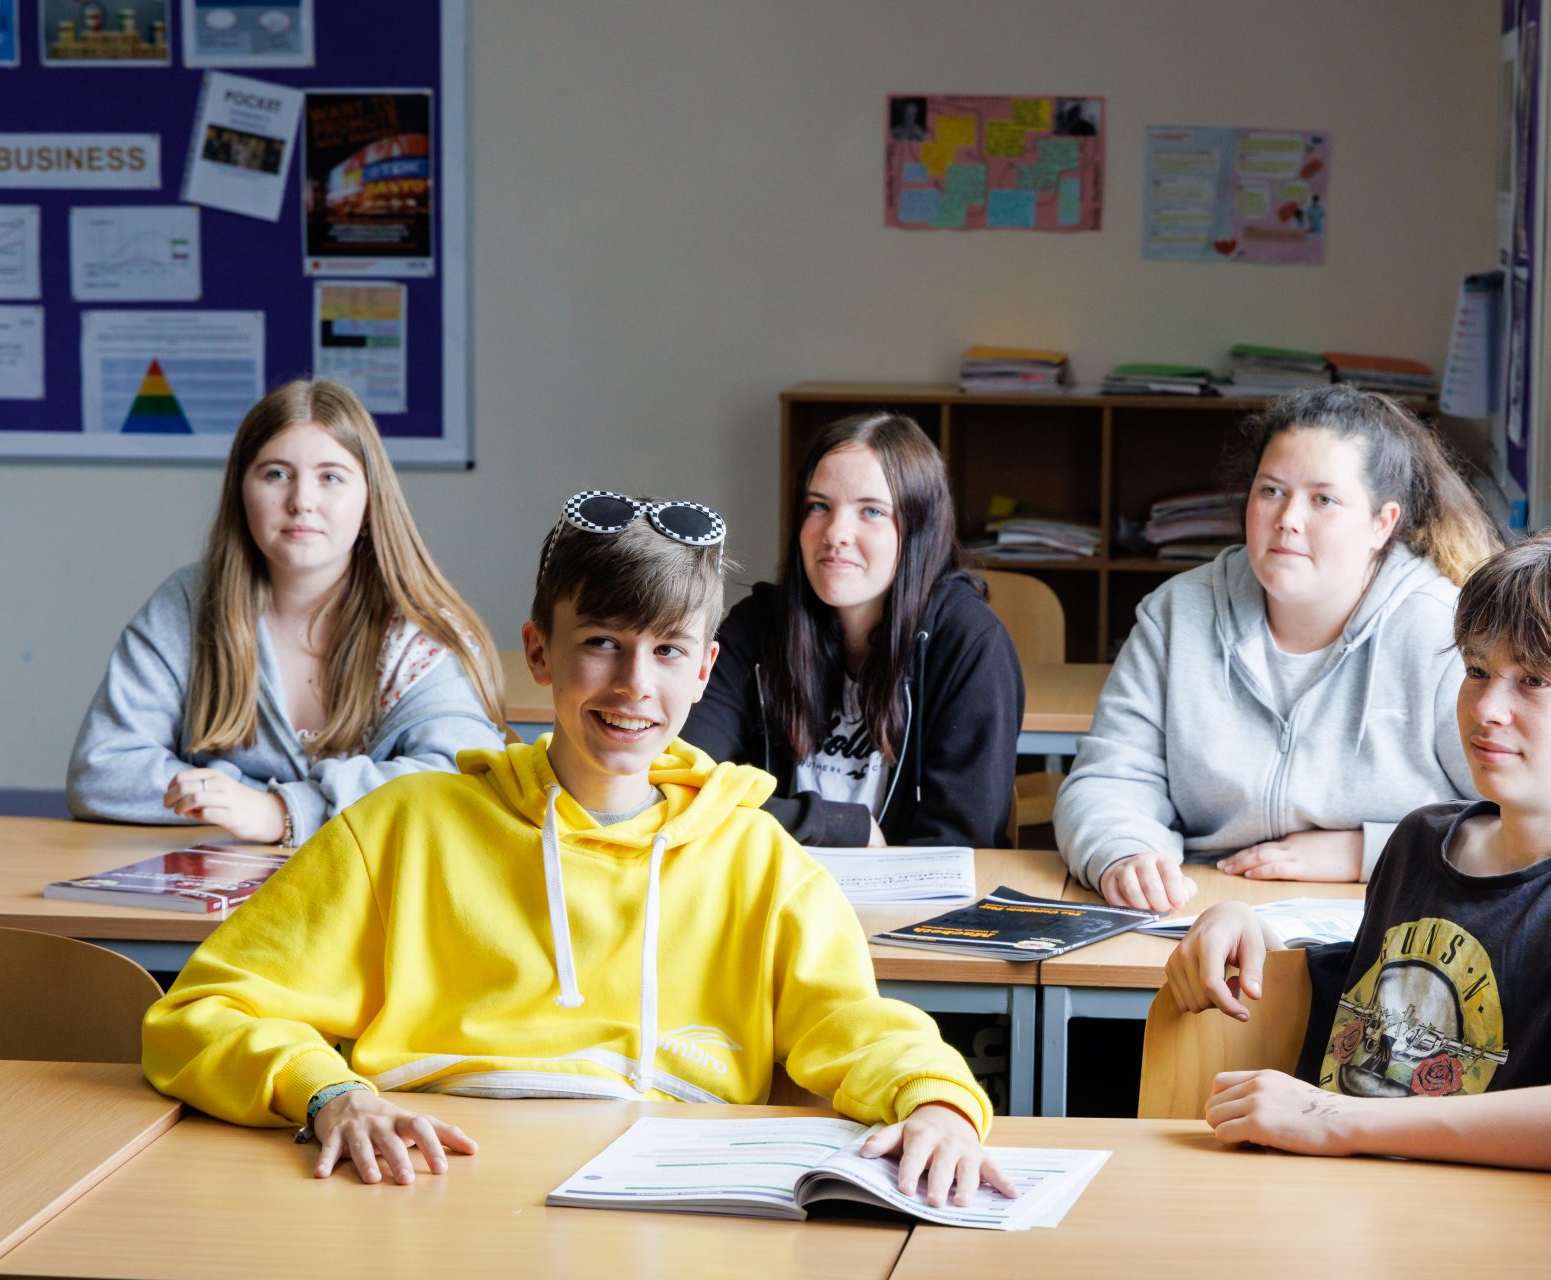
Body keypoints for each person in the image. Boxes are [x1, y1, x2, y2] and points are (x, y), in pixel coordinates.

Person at [142, 490, 1013, 1206]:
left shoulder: (758, 860)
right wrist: (329, 1092)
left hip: (670, 1202)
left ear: (703, 673)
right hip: (421, 1185)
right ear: (539, 653)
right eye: (601, 643)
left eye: (667, 651)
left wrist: (935, 1101)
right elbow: (202, 1014)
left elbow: (852, 1025)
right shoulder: (400, 830)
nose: (635, 684)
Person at [1165, 531, 1551, 1175]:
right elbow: (1377, 1005)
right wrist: (1247, 923)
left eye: (1534, 681)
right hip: (1330, 1202)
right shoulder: (1422, 840)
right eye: (1477, 671)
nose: (1487, 708)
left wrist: (1337, 1122)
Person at [1057, 385, 1501, 911]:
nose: (1288, 518)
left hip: (1389, 914)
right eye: (1270, 491)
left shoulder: (1440, 632)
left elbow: (1508, 816)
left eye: (1323, 500)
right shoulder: (1178, 613)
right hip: (1198, 906)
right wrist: (1123, 850)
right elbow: (1109, 776)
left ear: (1382, 524)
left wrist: (1366, 852)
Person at [67, 378, 506, 848]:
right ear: (241, 491)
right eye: (276, 474)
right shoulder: (188, 602)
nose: (302, 501)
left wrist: (280, 812)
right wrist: (244, 804)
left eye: (331, 477)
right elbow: (102, 770)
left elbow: (462, 784)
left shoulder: (418, 632)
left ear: (370, 499)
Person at [682, 413, 1023, 849]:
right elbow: (687, 784)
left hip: (911, 912)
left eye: (872, 511)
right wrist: (840, 826)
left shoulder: (969, 644)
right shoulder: (757, 627)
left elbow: (958, 847)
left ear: (918, 528)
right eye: (818, 506)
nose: (836, 533)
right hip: (775, 897)